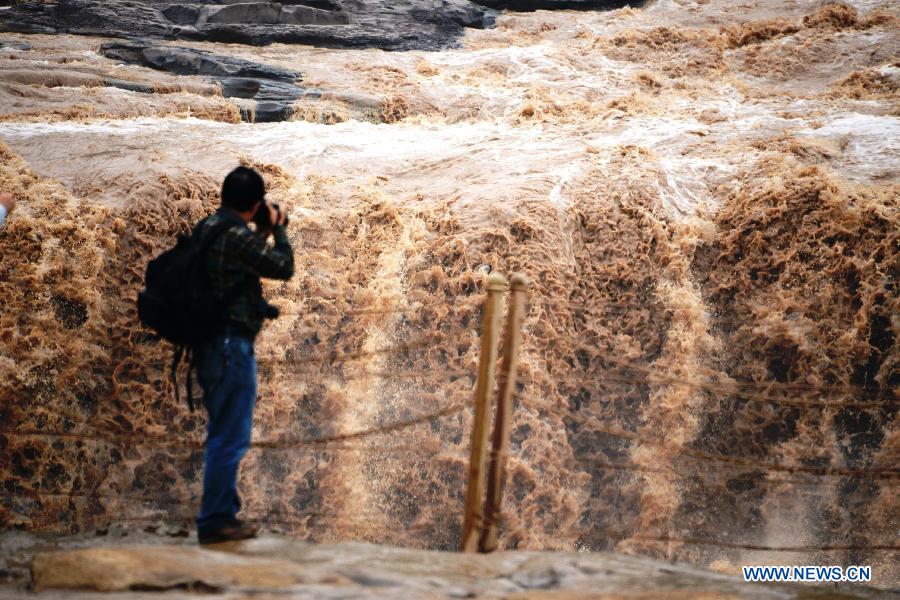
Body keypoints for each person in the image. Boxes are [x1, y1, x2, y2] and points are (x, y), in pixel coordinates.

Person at [193, 166, 294, 544]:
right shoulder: (235, 236)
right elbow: (283, 267)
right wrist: (280, 227)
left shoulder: (210, 227)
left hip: (209, 345)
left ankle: (223, 514)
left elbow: (240, 261)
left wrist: (260, 229)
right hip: (230, 347)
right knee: (230, 436)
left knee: (223, 431)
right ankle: (216, 520)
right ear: (254, 204)